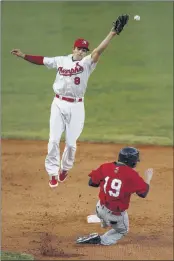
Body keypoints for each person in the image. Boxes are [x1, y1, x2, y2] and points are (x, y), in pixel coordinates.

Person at [10, 15, 129, 188]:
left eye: (84, 50)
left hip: (77, 106)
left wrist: (113, 33)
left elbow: (98, 51)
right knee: (53, 140)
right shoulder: (61, 61)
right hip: (58, 104)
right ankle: (52, 173)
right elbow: (42, 60)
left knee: (71, 145)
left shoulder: (88, 63)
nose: (82, 52)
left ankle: (64, 168)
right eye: (79, 49)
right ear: (73, 49)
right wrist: (23, 55)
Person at [76, 147, 153, 245]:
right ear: (132, 162)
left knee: (103, 204)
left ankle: (104, 221)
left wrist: (109, 179)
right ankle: (101, 239)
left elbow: (91, 183)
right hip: (115, 216)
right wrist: (148, 179)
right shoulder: (132, 175)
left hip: (99, 208)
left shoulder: (105, 167)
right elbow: (143, 194)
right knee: (123, 230)